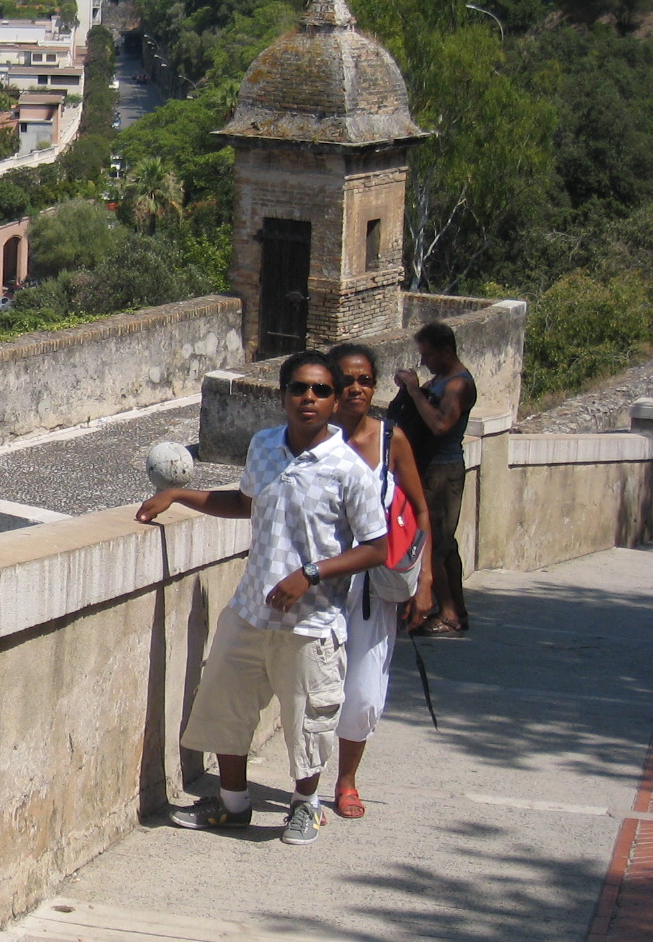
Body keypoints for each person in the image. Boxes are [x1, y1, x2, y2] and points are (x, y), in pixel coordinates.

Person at [137, 351, 388, 846]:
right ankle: (233, 805)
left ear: (334, 400)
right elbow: (244, 503)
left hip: (311, 621)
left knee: (308, 720)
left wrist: (310, 574)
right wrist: (180, 496)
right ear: (283, 396)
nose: (309, 398)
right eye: (299, 388)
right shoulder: (264, 445)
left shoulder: (348, 468)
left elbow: (377, 547)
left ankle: (305, 805)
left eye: (320, 390)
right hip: (251, 609)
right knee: (224, 706)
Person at [325, 342, 434, 820]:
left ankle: (346, 781)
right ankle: (305, 787)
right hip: (321, 583)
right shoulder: (314, 438)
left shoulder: (392, 440)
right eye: (347, 380)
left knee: (365, 689)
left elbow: (422, 510)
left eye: (365, 380)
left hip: (374, 588)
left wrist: (425, 579)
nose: (356, 389)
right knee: (315, 686)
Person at [390, 321, 477, 635]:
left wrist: (415, 391)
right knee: (444, 545)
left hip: (443, 470)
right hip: (428, 467)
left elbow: (440, 425)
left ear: (446, 350)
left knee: (434, 543)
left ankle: (449, 613)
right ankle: (456, 610)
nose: (423, 361)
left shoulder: (458, 385)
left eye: (427, 354)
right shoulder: (440, 381)